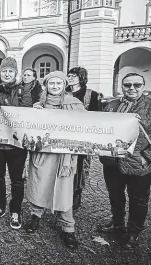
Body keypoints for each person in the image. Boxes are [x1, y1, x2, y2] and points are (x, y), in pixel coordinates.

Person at [97, 73, 151, 249]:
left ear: (143, 86)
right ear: (121, 86)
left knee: (138, 199)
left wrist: (147, 157)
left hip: (140, 163)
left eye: (137, 85)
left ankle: (133, 232)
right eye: (127, 85)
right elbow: (101, 129)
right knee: (115, 195)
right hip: (113, 162)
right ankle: (117, 223)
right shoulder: (112, 105)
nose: (132, 88)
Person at [24, 71, 84, 249]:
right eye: (52, 83)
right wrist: (34, 114)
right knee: (39, 184)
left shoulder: (75, 104)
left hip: (64, 157)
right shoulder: (39, 105)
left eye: (59, 83)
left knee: (64, 190)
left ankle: (68, 228)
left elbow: (91, 124)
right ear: (46, 85)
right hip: (43, 154)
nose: (55, 86)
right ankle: (36, 215)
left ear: (64, 85)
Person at [0, 57, 40, 229]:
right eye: (4, 71)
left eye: (10, 71)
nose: (7, 74)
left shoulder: (23, 90)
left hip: (16, 145)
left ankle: (15, 209)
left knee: (17, 179)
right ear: (0, 73)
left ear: (15, 73)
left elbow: (26, 114)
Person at [66, 67, 102, 210]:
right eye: (69, 75)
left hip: (83, 137)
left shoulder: (91, 94)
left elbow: (97, 116)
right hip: (65, 136)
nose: (70, 78)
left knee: (80, 166)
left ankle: (76, 193)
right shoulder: (63, 92)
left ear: (81, 77)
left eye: (74, 75)